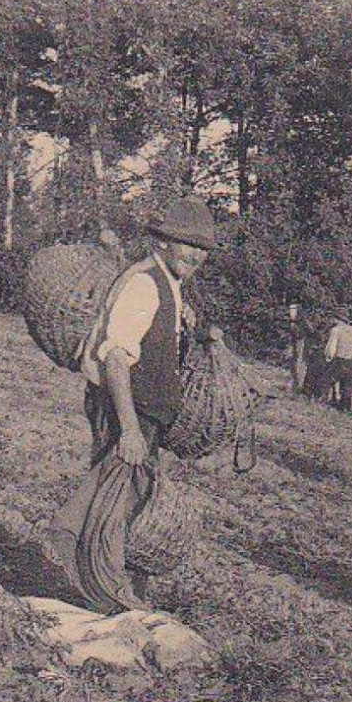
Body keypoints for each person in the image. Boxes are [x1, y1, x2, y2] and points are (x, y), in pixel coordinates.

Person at [43, 195, 218, 614]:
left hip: (146, 412)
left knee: (127, 496)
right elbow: (116, 358)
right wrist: (130, 430)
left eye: (201, 249)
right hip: (127, 409)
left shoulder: (170, 287)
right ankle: (88, 571)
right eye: (186, 245)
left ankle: (103, 578)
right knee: (111, 495)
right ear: (164, 244)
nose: (194, 255)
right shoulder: (143, 284)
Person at [323, 312, 352, 413]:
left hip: (340, 360)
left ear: (337, 320)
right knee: (347, 385)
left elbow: (331, 348)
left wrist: (328, 359)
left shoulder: (336, 330)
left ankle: (324, 402)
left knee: (327, 380)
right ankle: (345, 407)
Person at [286, 302, 308, 394]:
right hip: (294, 341)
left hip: (300, 342)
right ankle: (294, 383)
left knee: (298, 362)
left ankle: (298, 385)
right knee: (292, 361)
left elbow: (300, 334)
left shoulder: (302, 322)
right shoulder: (293, 322)